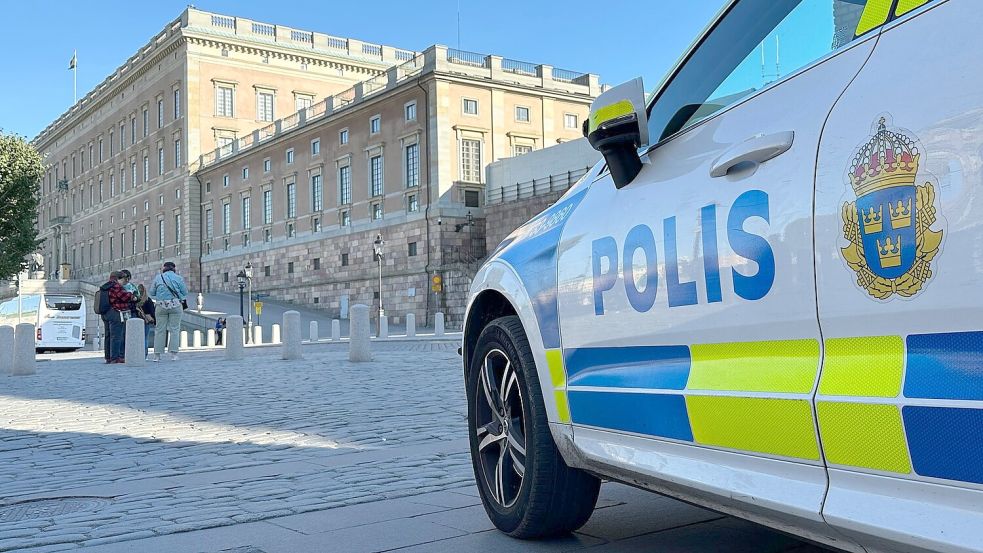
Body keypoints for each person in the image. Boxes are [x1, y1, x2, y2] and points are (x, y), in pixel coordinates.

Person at [149, 261, 188, 361]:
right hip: (175, 305)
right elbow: (185, 292)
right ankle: (173, 354)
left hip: (161, 305)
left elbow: (152, 292)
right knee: (174, 329)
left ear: (164, 268)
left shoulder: (158, 278)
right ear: (174, 269)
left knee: (159, 330)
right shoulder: (178, 278)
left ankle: (157, 355)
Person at [107, 271, 135, 364]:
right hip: (117, 312)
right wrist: (131, 295)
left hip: (111, 312)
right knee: (117, 336)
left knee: (112, 336)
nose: (125, 281)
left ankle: (111, 357)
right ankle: (115, 357)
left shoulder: (110, 285)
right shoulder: (116, 286)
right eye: (124, 279)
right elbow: (124, 297)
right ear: (119, 278)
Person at [96, 272, 119, 364]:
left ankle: (108, 357)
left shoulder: (104, 287)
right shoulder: (115, 287)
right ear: (117, 279)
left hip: (104, 312)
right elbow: (122, 297)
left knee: (107, 335)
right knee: (115, 336)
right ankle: (114, 357)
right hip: (113, 312)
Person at [136, 283, 156, 360]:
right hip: (146, 321)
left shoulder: (136, 300)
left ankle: (137, 353)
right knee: (145, 338)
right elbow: (152, 311)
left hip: (136, 321)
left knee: (137, 338)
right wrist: (154, 321)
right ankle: (145, 355)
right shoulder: (148, 300)